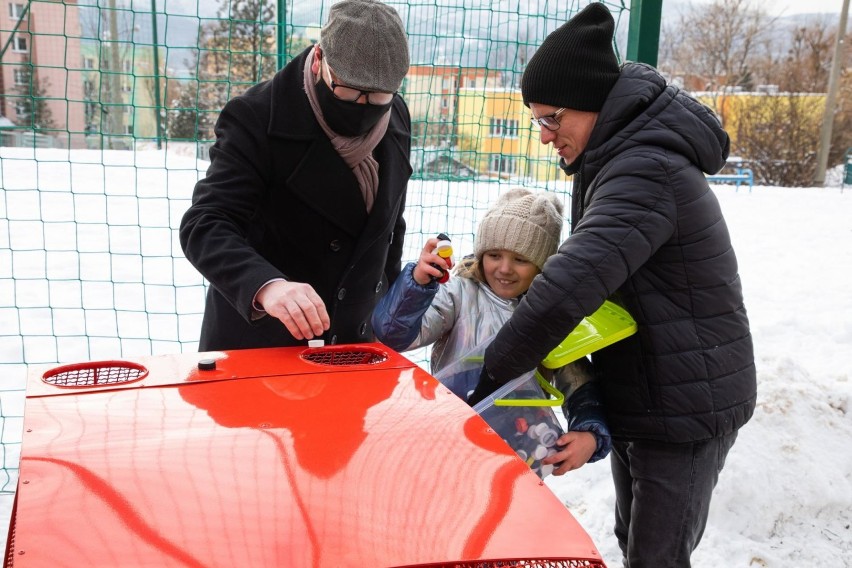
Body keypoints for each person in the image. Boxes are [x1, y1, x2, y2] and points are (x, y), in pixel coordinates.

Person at [467, 4, 757, 567]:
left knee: (656, 556)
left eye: (552, 118)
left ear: (593, 103)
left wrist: (483, 378)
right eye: (538, 122)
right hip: (647, 390)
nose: (546, 136)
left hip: (686, 402)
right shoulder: (617, 158)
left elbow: (573, 280)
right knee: (635, 543)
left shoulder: (646, 170)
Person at [179, 0, 412, 351]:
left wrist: (388, 311)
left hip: (355, 347)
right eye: (348, 90)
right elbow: (207, 223)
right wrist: (268, 285)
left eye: (378, 96)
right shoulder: (257, 116)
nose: (363, 106)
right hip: (264, 346)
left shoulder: (395, 116)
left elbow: (388, 228)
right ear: (319, 60)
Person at [372, 188, 611, 474]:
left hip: (521, 451)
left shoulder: (551, 314)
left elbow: (578, 380)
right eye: (495, 255)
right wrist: (417, 285)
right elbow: (393, 334)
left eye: (521, 259)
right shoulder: (459, 295)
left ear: (543, 265)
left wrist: (590, 432)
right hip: (453, 438)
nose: (505, 268)